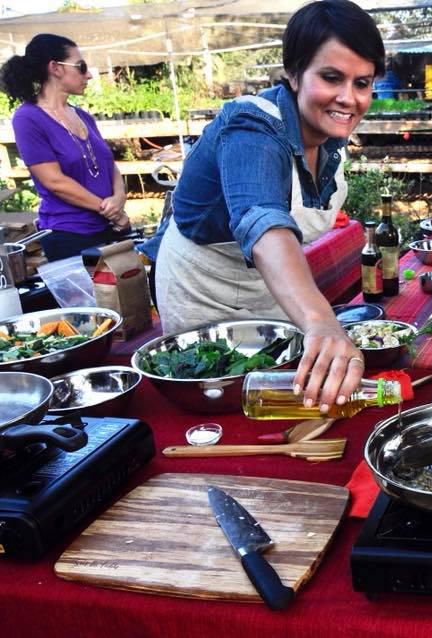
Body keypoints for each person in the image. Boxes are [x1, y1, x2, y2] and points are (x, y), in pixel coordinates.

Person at [154, 0, 382, 409]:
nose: (349, 98)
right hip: (205, 295)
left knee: (276, 400)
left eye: (362, 83)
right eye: (332, 78)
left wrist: (312, 320)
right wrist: (320, 321)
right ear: (293, 74)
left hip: (273, 292)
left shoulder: (331, 142)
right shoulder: (252, 126)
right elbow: (262, 218)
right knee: (220, 402)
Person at [1, 34, 129, 261]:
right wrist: (109, 209)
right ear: (55, 68)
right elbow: (54, 182)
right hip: (69, 235)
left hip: (111, 227)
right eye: (81, 67)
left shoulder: (83, 116)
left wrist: (119, 199)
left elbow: (109, 166)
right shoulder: (28, 118)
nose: (88, 75)